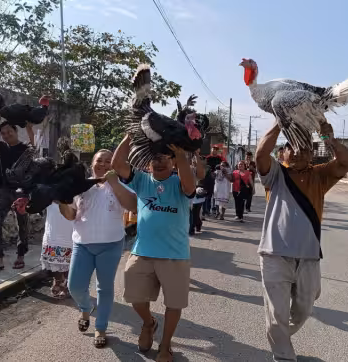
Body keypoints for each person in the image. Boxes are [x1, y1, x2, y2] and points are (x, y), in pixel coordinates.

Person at [256, 120, 348, 362]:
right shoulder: (275, 174)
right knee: (276, 313)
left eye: (305, 148)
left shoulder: (320, 175)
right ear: (283, 152)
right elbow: (260, 153)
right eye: (293, 146)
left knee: (303, 310)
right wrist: (280, 122)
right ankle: (283, 355)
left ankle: (279, 334)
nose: (299, 151)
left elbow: (347, 163)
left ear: (312, 154)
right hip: (274, 254)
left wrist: (329, 138)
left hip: (309, 256)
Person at [112, 135, 195, 362]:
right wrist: (131, 136)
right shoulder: (141, 180)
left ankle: (165, 346)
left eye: (164, 159)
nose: (159, 162)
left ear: (173, 162)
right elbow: (117, 165)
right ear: (148, 163)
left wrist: (180, 155)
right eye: (155, 159)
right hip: (142, 251)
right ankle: (149, 322)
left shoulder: (180, 181)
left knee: (174, 304)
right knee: (134, 296)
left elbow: (190, 187)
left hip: (175, 255)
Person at [58, 149, 136, 348]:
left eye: (108, 161)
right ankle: (86, 308)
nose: (103, 164)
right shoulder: (81, 187)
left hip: (110, 245)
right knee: (74, 286)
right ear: (92, 164)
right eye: (99, 160)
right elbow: (71, 215)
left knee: (104, 287)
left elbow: (132, 205)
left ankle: (100, 328)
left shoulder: (121, 185)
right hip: (82, 244)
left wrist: (113, 182)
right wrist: (61, 201)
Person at [0, 117, 35, 271]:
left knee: (22, 224)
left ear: (16, 131)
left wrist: (30, 128)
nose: (6, 135)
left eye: (9, 131)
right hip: (2, 190)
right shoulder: (2, 147)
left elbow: (33, 147)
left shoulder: (25, 148)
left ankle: (20, 256)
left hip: (21, 191)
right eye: (3, 133)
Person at [40, 141, 76, 298]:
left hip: (70, 227)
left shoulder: (78, 185)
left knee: (68, 259)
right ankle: (58, 281)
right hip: (53, 227)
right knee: (53, 257)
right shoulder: (50, 183)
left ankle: (67, 282)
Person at [205, 146, 226, 215]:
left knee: (215, 194)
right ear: (211, 150)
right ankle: (207, 209)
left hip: (217, 179)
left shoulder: (220, 158)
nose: (214, 151)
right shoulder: (207, 158)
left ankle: (214, 209)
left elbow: (224, 166)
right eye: (213, 149)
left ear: (217, 151)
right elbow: (205, 166)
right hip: (208, 178)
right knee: (208, 194)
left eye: (216, 150)